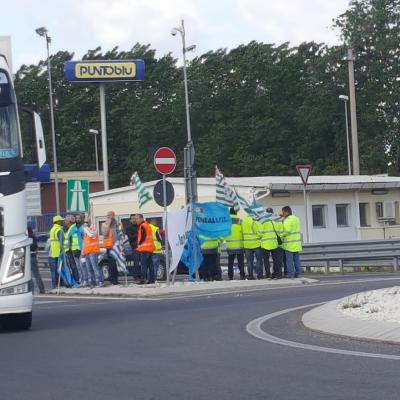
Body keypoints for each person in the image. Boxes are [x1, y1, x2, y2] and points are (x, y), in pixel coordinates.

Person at [280, 206, 303, 278]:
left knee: (289, 260)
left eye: (283, 212)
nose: (282, 213)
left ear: (286, 212)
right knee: (296, 259)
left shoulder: (288, 220)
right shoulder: (296, 218)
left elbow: (287, 231)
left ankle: (291, 274)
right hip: (297, 243)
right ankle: (298, 272)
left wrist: (280, 235)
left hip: (289, 243)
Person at [224, 208, 245, 280]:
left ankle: (230, 276)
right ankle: (242, 275)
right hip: (239, 245)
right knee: (240, 262)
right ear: (236, 212)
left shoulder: (226, 221)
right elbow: (243, 232)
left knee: (230, 262)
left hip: (230, 245)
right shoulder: (240, 221)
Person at [82, 217, 104, 288]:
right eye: (85, 222)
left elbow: (92, 235)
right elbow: (84, 242)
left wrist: (86, 229)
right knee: (89, 268)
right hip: (87, 251)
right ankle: (93, 282)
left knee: (95, 267)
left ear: (90, 222)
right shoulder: (86, 231)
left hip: (93, 251)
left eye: (87, 222)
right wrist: (83, 251)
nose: (85, 223)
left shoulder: (93, 228)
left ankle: (100, 281)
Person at [64, 215, 85, 285]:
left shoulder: (74, 228)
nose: (65, 222)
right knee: (78, 266)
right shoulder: (70, 228)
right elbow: (69, 239)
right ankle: (80, 280)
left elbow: (80, 237)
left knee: (80, 266)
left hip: (78, 249)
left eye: (66, 221)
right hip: (73, 250)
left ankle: (82, 280)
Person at [136, 214, 156, 284]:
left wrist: (139, 244)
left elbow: (142, 237)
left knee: (143, 265)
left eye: (137, 218)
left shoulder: (142, 226)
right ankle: (152, 280)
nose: (136, 220)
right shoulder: (147, 225)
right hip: (149, 248)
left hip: (144, 248)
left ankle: (143, 279)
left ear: (141, 218)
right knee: (150, 265)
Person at [241, 215, 263, 279]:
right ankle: (259, 275)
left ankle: (250, 275)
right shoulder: (255, 221)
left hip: (247, 244)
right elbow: (260, 233)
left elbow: (242, 233)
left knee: (249, 261)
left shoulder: (243, 221)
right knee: (259, 260)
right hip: (256, 244)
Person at [101, 211, 119, 285]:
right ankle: (112, 280)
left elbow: (120, 233)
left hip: (117, 246)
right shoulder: (104, 224)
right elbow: (104, 233)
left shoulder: (117, 223)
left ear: (113, 216)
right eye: (107, 215)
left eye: (110, 215)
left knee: (116, 264)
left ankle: (116, 279)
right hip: (110, 246)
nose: (108, 217)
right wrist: (108, 224)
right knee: (111, 264)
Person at [48, 215, 65, 289]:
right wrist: (62, 251)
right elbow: (61, 242)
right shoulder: (59, 230)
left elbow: (49, 242)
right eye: (61, 221)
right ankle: (61, 284)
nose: (62, 222)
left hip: (51, 253)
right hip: (58, 252)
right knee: (60, 270)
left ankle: (54, 286)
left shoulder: (52, 230)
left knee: (53, 271)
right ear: (57, 221)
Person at [28, 226, 45, 294]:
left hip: (28, 257)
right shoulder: (34, 238)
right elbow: (36, 248)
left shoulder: (26, 238)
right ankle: (42, 289)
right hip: (33, 256)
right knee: (37, 274)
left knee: (28, 275)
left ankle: (31, 290)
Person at [125, 213, 140, 282]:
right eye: (133, 219)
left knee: (143, 263)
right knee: (136, 263)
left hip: (143, 247)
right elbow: (131, 238)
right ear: (130, 220)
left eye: (135, 218)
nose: (134, 220)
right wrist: (138, 234)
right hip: (135, 248)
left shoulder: (140, 226)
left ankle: (143, 277)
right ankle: (136, 278)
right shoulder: (128, 228)